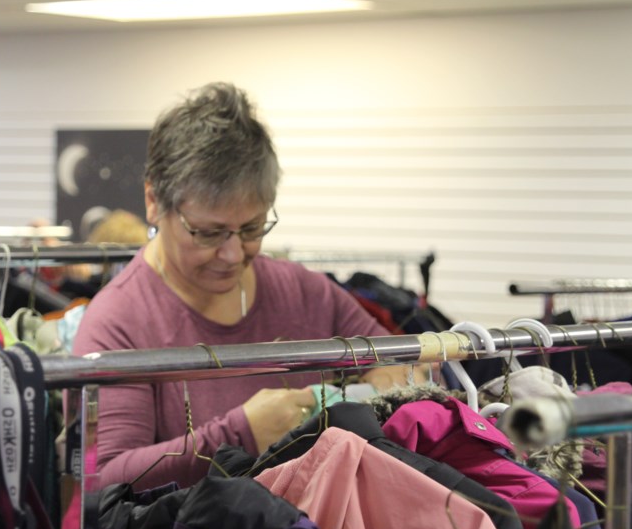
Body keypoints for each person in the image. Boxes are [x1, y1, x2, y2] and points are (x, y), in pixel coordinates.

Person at [71, 81, 413, 493]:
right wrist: (238, 436)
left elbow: (396, 361)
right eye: (208, 233)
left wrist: (387, 385)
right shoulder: (116, 325)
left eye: (252, 228)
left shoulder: (305, 293)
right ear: (153, 202)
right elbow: (103, 482)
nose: (233, 254)